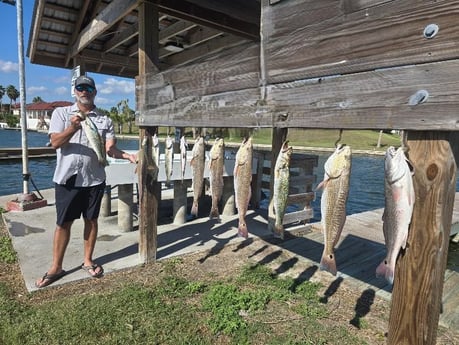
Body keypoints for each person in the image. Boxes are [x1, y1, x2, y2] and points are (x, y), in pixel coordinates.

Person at [35, 75, 137, 288]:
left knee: (91, 220)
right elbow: (55, 143)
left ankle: (88, 260)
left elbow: (109, 149)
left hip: (94, 179)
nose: (84, 91)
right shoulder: (61, 113)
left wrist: (127, 156)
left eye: (88, 88)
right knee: (63, 223)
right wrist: (72, 127)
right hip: (67, 178)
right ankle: (56, 267)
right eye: (80, 88)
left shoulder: (104, 120)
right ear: (75, 91)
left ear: (95, 92)